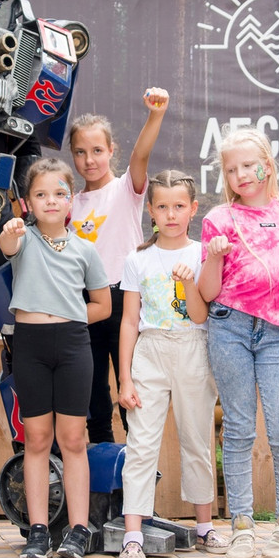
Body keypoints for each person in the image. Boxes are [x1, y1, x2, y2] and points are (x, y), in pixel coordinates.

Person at [197, 129, 279, 558]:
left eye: (248, 164)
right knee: (239, 429)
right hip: (229, 327)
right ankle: (241, 525)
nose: (241, 174)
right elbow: (206, 293)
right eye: (231, 168)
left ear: (267, 163)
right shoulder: (218, 219)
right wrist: (216, 256)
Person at [0, 158, 112, 558]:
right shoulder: (24, 239)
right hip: (29, 344)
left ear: (71, 201)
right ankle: (38, 530)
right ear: (27, 202)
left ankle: (79, 530)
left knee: (73, 440)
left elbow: (102, 304)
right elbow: (6, 246)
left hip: (72, 345)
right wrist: (11, 231)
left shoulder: (85, 249)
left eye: (59, 193)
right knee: (36, 439)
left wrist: (67, 313)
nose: (51, 201)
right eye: (41, 194)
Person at [115, 170, 218, 558]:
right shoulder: (137, 259)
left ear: (193, 209)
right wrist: (125, 377)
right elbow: (128, 321)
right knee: (141, 445)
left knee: (196, 439)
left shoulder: (202, 254)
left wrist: (191, 282)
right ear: (151, 211)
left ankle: (205, 525)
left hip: (193, 348)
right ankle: (133, 535)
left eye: (179, 206)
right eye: (162, 206)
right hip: (150, 351)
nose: (171, 214)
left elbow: (198, 314)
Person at [69, 89, 169, 443]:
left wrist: (155, 115)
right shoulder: (68, 204)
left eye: (97, 151)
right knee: (93, 399)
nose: (89, 160)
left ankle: (138, 494)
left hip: (125, 302)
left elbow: (142, 154)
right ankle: (100, 491)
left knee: (133, 399)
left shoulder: (128, 189)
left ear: (111, 151)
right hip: (85, 305)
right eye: (80, 152)